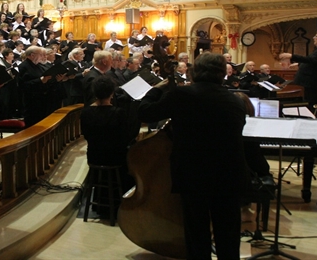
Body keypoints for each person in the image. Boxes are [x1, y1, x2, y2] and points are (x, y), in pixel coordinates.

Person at [138, 53, 249, 260]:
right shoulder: (234, 100)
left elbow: (144, 112)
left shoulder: (183, 95)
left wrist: (156, 89)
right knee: (228, 234)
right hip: (230, 173)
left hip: (193, 172)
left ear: (195, 72)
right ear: (222, 73)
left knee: (197, 232)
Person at [80, 75, 136, 192]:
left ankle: (100, 197)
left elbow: (86, 135)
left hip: (94, 156)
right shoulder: (118, 113)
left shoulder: (85, 113)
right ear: (112, 93)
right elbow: (125, 138)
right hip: (115, 158)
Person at [279, 30, 317, 114]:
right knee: (310, 104)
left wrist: (291, 56)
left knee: (314, 105)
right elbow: (314, 61)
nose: (314, 38)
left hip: (315, 83)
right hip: (311, 83)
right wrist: (299, 64)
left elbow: (311, 60)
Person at [18, 46, 66, 127]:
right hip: (32, 103)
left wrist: (57, 80)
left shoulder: (38, 65)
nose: (43, 57)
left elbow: (46, 81)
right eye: (41, 54)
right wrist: (40, 81)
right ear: (32, 55)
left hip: (44, 100)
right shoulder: (23, 66)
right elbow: (23, 86)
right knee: (34, 127)